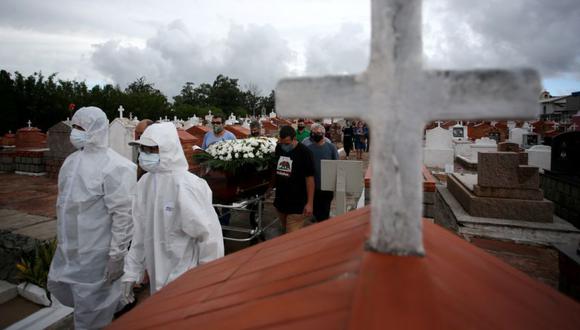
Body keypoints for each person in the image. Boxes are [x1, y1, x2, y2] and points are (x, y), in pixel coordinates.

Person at [47, 106, 136, 329]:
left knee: (94, 312)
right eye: (74, 126)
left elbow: (123, 216)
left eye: (81, 127)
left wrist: (117, 255)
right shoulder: (71, 162)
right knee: (78, 304)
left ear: (96, 130)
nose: (75, 132)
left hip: (97, 255)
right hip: (71, 251)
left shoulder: (116, 167)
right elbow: (65, 207)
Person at [121, 123, 224, 304]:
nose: (145, 155)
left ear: (167, 149)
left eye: (151, 150)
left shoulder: (187, 186)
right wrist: (131, 271)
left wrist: (209, 282)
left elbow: (209, 238)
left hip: (186, 280)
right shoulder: (145, 183)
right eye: (143, 149)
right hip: (156, 276)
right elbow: (139, 232)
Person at [272, 125, 315, 233]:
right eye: (281, 143)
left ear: (294, 138)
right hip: (281, 202)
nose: (283, 146)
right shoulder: (279, 148)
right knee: (285, 231)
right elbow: (276, 171)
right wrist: (269, 188)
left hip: (297, 205)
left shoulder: (305, 153)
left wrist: (310, 203)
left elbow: (310, 179)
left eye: (286, 143)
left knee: (291, 237)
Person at [304, 123, 339, 222]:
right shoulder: (309, 148)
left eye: (318, 133)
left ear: (323, 134)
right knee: (315, 208)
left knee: (325, 209)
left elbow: (336, 163)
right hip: (313, 184)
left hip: (327, 184)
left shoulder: (331, 147)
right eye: (314, 133)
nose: (316, 135)